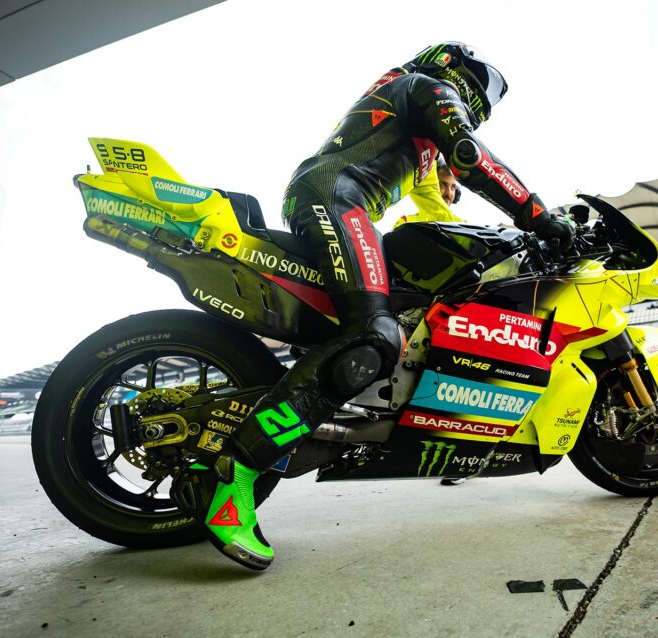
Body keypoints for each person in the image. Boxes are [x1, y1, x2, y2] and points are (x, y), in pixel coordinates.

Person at [186, 42, 575, 570]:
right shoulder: (425, 88)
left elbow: (442, 195)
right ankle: (237, 473)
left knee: (384, 326)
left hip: (338, 198)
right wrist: (540, 217)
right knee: (375, 337)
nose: (480, 101)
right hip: (336, 197)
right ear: (455, 71)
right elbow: (470, 155)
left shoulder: (404, 110)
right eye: (480, 88)